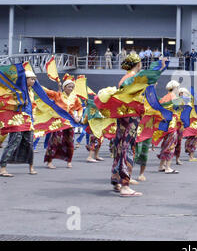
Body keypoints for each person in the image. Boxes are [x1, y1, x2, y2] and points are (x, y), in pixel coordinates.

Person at [96, 54, 167, 196]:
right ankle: (125, 185)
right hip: (131, 116)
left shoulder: (125, 78)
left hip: (123, 116)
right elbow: (149, 76)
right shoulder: (134, 78)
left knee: (120, 145)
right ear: (138, 64)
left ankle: (116, 179)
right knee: (128, 147)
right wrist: (160, 66)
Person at [0, 70, 37, 177]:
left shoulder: (31, 92)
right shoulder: (16, 91)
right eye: (31, 79)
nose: (33, 81)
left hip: (28, 120)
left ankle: (31, 166)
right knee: (13, 142)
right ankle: (3, 168)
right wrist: (19, 102)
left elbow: (33, 105)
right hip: (17, 120)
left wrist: (33, 116)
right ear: (25, 80)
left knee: (29, 144)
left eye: (34, 79)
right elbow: (8, 102)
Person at [43, 76, 83, 169]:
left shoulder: (75, 98)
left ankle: (69, 161)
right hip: (58, 121)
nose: (71, 88)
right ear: (64, 87)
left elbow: (80, 108)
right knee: (55, 141)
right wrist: (35, 83)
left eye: (72, 87)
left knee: (70, 141)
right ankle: (49, 161)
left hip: (69, 122)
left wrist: (78, 116)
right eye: (69, 86)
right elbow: (46, 91)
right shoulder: (58, 95)